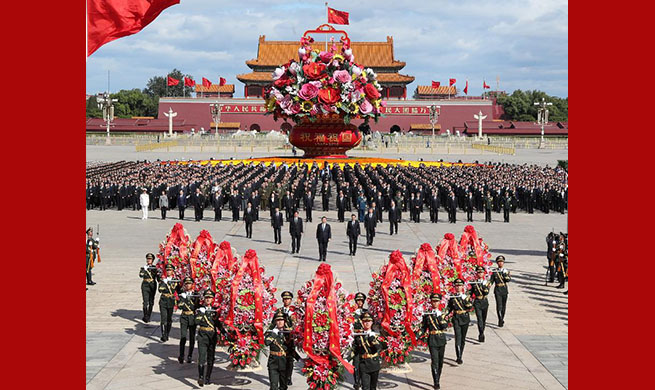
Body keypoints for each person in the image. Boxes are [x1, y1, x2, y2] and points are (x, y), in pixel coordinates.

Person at [352, 312, 387, 390]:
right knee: (365, 388)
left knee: (373, 387)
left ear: (372, 322)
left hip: (374, 364)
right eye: (365, 321)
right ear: (362, 322)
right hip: (364, 365)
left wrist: (373, 340)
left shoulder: (376, 334)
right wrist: (356, 376)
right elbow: (356, 354)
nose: (367, 323)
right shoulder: (358, 336)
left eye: (369, 321)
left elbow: (380, 348)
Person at [421, 293, 448, 389]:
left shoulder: (443, 313)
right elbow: (424, 327)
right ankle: (436, 381)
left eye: (437, 301)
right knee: (434, 361)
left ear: (439, 302)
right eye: (433, 301)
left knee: (440, 362)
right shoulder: (428, 314)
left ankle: (438, 377)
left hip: (441, 338)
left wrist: (439, 317)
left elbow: (444, 326)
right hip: (432, 339)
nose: (435, 303)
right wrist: (417, 336)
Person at [195, 290, 219, 386]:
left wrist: (225, 333)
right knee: (201, 356)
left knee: (211, 358)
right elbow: (196, 321)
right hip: (202, 335)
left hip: (212, 336)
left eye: (210, 298)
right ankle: (201, 377)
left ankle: (208, 377)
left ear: (212, 299)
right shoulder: (199, 310)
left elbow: (218, 324)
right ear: (204, 299)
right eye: (206, 298)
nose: (208, 299)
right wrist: (201, 313)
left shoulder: (215, 311)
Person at [448, 278, 473, 364]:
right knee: (458, 337)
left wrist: (465, 300)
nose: (458, 287)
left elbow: (470, 307)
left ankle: (461, 353)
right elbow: (449, 308)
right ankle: (458, 356)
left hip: (464, 317)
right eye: (457, 286)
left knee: (463, 338)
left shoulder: (466, 296)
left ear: (463, 286)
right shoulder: (452, 297)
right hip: (456, 318)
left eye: (460, 286)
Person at [266, 311, 292, 390]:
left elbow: (292, 348)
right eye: (278, 320)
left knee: (283, 387)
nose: (280, 322)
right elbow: (267, 342)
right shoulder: (271, 332)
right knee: (273, 386)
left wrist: (299, 359)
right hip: (273, 362)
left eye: (282, 320)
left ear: (284, 321)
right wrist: (274, 334)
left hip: (284, 362)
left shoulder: (288, 333)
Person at [177, 277, 198, 364]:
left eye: (189, 284)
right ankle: (181, 355)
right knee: (183, 337)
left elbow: (196, 306)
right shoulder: (182, 294)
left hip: (192, 317)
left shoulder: (195, 295)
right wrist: (184, 298)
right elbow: (180, 306)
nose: (187, 285)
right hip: (184, 317)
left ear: (192, 285)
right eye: (186, 284)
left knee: (192, 338)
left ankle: (190, 355)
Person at [158, 264, 179, 342]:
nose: (169, 272)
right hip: (163, 300)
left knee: (169, 319)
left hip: (171, 301)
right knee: (164, 318)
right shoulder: (163, 280)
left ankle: (167, 333)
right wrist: (164, 282)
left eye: (170, 270)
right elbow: (160, 290)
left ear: (173, 271)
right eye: (167, 270)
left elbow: (179, 290)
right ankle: (163, 335)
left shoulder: (175, 281)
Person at [352, 292, 368, 390]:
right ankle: (357, 382)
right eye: (358, 301)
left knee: (365, 363)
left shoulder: (367, 312)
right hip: (356, 342)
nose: (359, 302)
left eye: (361, 301)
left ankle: (364, 381)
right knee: (356, 363)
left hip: (365, 342)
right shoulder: (352, 313)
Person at [470, 265, 490, 342]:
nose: (480, 274)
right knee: (479, 318)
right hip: (477, 301)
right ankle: (481, 333)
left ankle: (482, 330)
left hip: (484, 301)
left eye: (481, 272)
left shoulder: (486, 282)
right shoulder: (474, 283)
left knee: (484, 319)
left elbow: (486, 292)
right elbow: (471, 293)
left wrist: (484, 285)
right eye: (478, 273)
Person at [490, 256, 511, 327]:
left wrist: (505, 274)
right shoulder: (495, 271)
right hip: (498, 289)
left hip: (504, 289)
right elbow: (491, 281)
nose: (501, 263)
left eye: (502, 262)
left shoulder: (506, 271)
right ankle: (500, 319)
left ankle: (502, 317)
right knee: (499, 305)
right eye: (499, 262)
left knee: (504, 306)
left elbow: (508, 280)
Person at [139, 253, 158, 323]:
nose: (149, 260)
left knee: (151, 302)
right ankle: (145, 315)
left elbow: (158, 278)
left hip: (152, 284)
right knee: (145, 302)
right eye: (148, 259)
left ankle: (148, 315)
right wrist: (144, 269)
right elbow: (140, 275)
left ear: (152, 260)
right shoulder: (143, 268)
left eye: (150, 259)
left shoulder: (155, 268)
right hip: (145, 285)